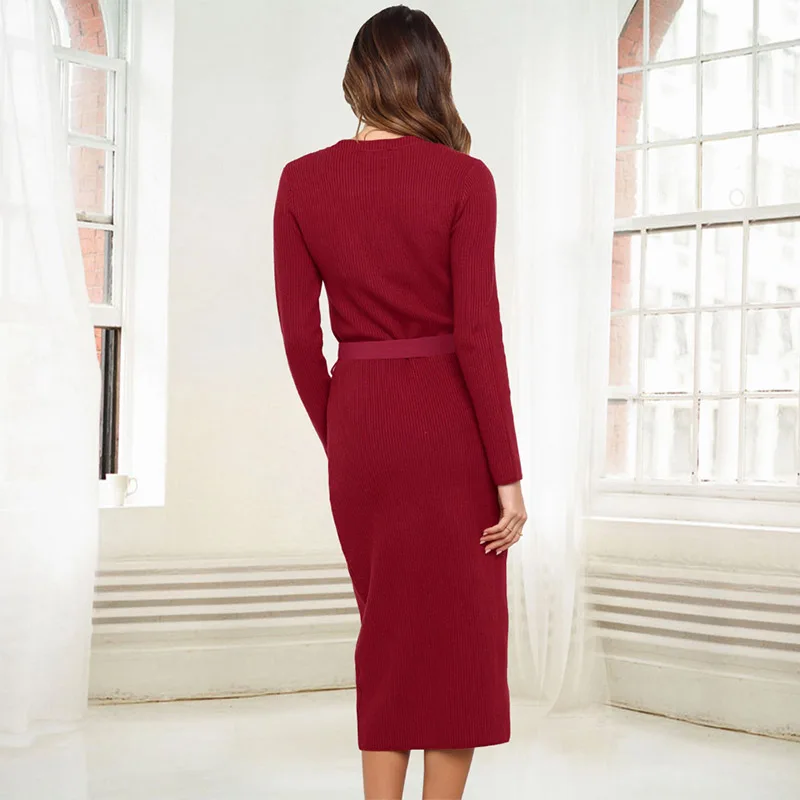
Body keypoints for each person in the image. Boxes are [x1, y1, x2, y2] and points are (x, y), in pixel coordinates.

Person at [273, 6, 527, 799]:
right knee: (459, 642)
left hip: (361, 426)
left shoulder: (301, 180)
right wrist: (508, 475)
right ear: (431, 78)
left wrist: (345, 437)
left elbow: (299, 340)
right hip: (448, 433)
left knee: (386, 631)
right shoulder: (464, 180)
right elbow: (478, 338)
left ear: (359, 77)